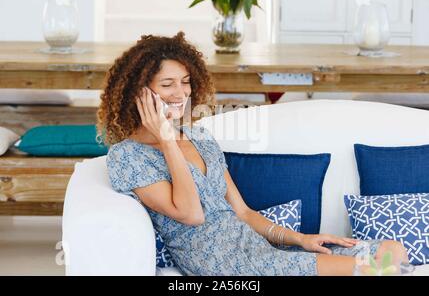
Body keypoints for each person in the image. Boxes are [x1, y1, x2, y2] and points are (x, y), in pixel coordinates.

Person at [96, 31, 409, 276]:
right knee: (371, 269)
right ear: (140, 92)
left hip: (256, 249)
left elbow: (243, 213)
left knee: (392, 252)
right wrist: (166, 141)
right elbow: (192, 214)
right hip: (217, 263)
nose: (181, 94)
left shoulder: (199, 138)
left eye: (186, 82)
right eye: (167, 84)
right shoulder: (128, 157)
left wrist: (300, 239)